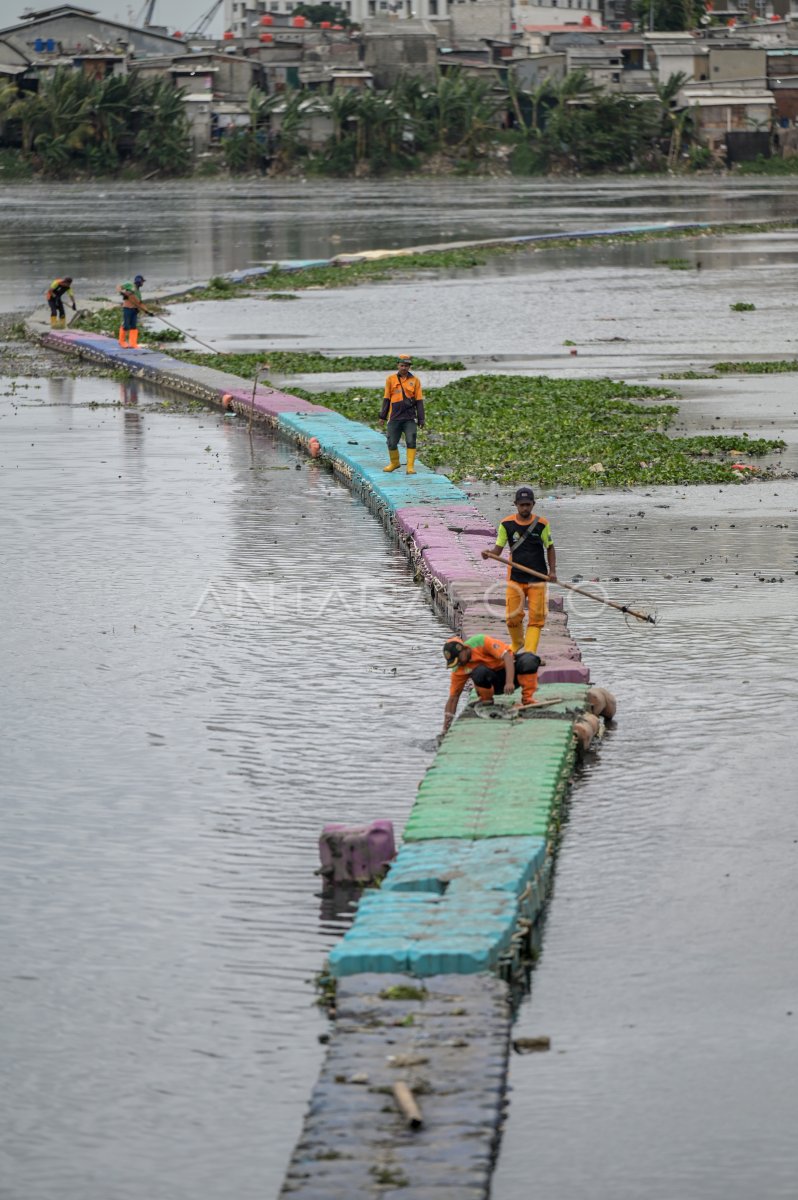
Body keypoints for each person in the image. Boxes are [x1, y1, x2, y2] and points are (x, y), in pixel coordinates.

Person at [481, 486, 556, 655]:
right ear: (515, 504)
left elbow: (550, 547)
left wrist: (552, 571)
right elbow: (497, 550)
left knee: (537, 619)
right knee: (512, 617)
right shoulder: (506, 524)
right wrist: (489, 554)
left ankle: (529, 653)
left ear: (533, 504)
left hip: (538, 578)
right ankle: (517, 642)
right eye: (521, 505)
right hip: (515, 578)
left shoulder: (542, 524)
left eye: (528, 504)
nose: (525, 508)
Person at [441, 634, 541, 735]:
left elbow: (507, 656)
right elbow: (453, 698)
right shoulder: (459, 669)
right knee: (479, 672)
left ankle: (527, 699)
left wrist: (509, 682)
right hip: (492, 682)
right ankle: (486, 701)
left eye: (458, 660)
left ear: (463, 649)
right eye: (455, 663)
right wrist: (445, 730)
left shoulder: (480, 641)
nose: (459, 664)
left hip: (511, 673)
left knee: (530, 660)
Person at [380, 353, 424, 475]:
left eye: (406, 366)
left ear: (409, 367)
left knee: (411, 440)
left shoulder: (415, 381)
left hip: (409, 418)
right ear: (398, 365)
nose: (404, 368)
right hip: (394, 417)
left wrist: (421, 419)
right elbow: (386, 399)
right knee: (391, 442)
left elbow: (419, 401)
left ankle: (410, 467)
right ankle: (394, 463)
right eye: (402, 365)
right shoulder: (390, 379)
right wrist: (382, 416)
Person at [117, 274, 149, 349]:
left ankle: (133, 343)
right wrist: (122, 293)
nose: (143, 283)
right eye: (142, 282)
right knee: (126, 325)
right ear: (138, 281)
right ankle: (121, 341)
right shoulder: (129, 285)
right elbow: (119, 287)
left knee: (133, 327)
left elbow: (140, 303)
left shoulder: (138, 292)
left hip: (134, 310)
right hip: (127, 308)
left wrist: (147, 311)